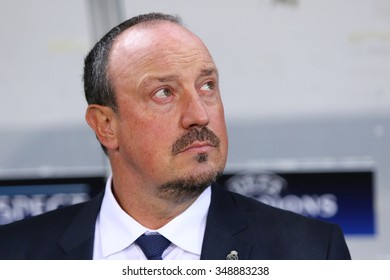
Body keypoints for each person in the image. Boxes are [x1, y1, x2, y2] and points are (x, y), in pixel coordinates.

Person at [0, 12, 350, 260]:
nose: (199, 114)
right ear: (106, 125)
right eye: (164, 93)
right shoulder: (16, 255)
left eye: (207, 85)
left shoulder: (310, 253)